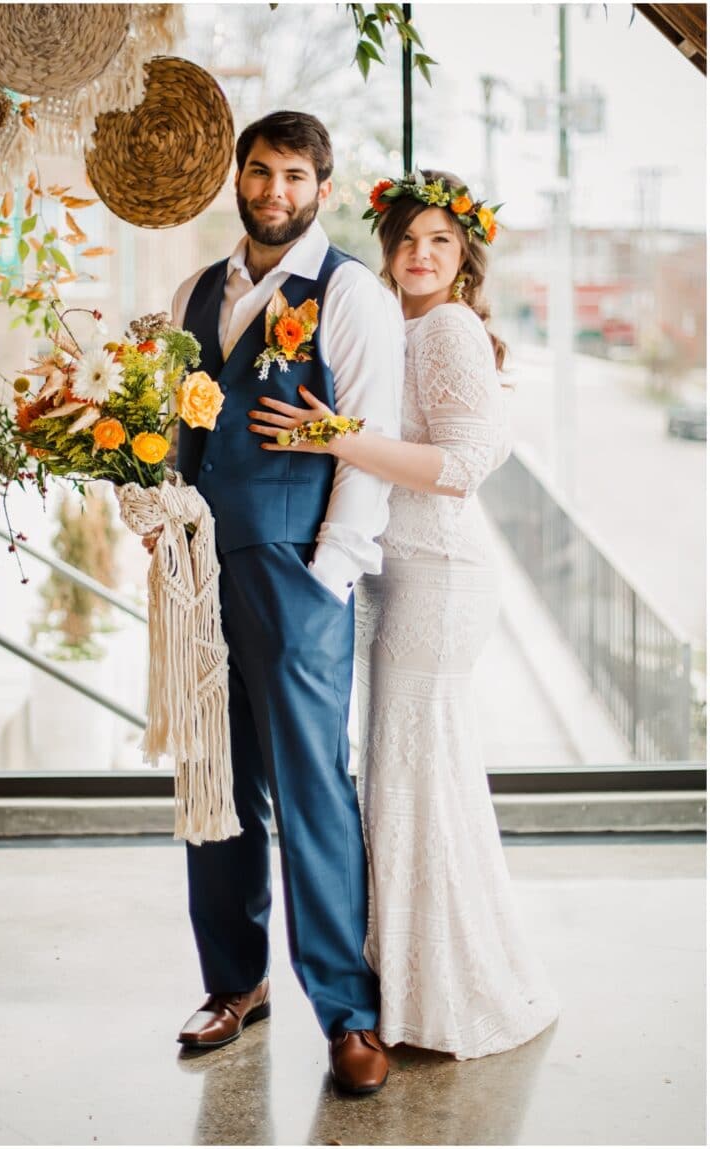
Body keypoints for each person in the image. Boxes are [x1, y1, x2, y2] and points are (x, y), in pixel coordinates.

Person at [249, 170, 560, 1057]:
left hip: (440, 577)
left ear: (464, 259)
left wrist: (328, 435)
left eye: (442, 243)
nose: (420, 256)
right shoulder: (392, 323)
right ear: (386, 246)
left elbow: (463, 464)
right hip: (390, 573)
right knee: (397, 776)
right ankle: (406, 976)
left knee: (417, 777)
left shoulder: (452, 328)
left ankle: (445, 993)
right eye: (408, 240)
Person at [160, 111, 404, 1094]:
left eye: (293, 176)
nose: (273, 191)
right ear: (238, 176)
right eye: (259, 172)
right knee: (213, 785)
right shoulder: (191, 293)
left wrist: (328, 572)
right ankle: (233, 984)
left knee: (312, 795)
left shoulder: (350, 293)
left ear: (320, 184)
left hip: (298, 573)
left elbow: (369, 441)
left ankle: (347, 1012)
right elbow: (174, 431)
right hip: (198, 577)